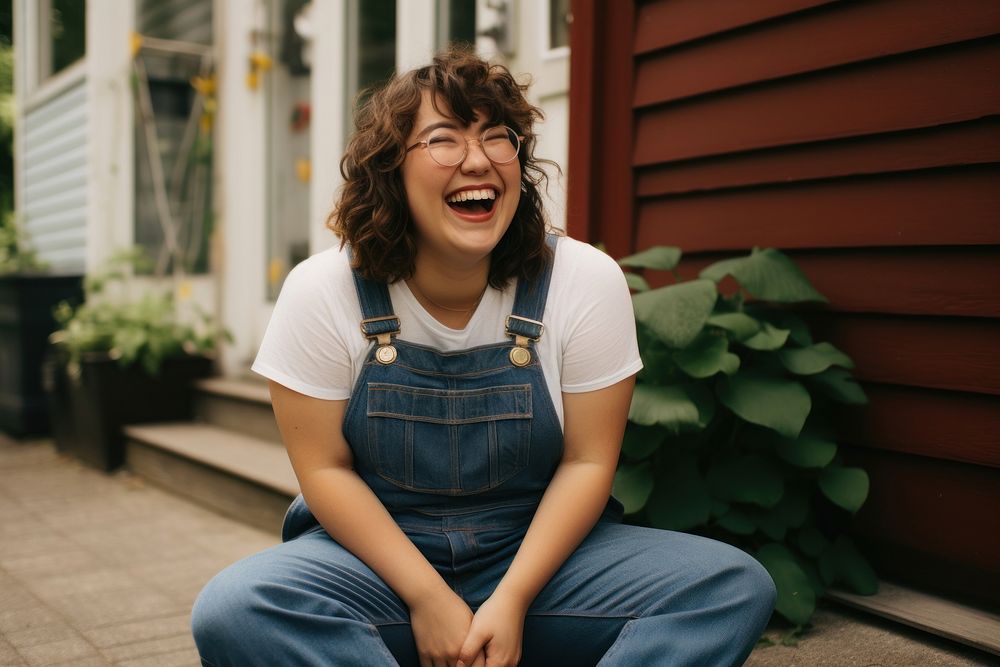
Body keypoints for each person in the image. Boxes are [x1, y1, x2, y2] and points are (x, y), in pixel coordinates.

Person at [191, 49, 775, 667]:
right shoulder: (322, 289)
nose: (479, 160)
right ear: (390, 169)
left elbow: (586, 462)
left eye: (498, 138)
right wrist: (426, 598)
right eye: (444, 139)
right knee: (236, 608)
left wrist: (514, 598)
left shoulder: (582, 279)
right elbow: (326, 473)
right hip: (377, 569)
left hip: (544, 562)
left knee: (729, 588)